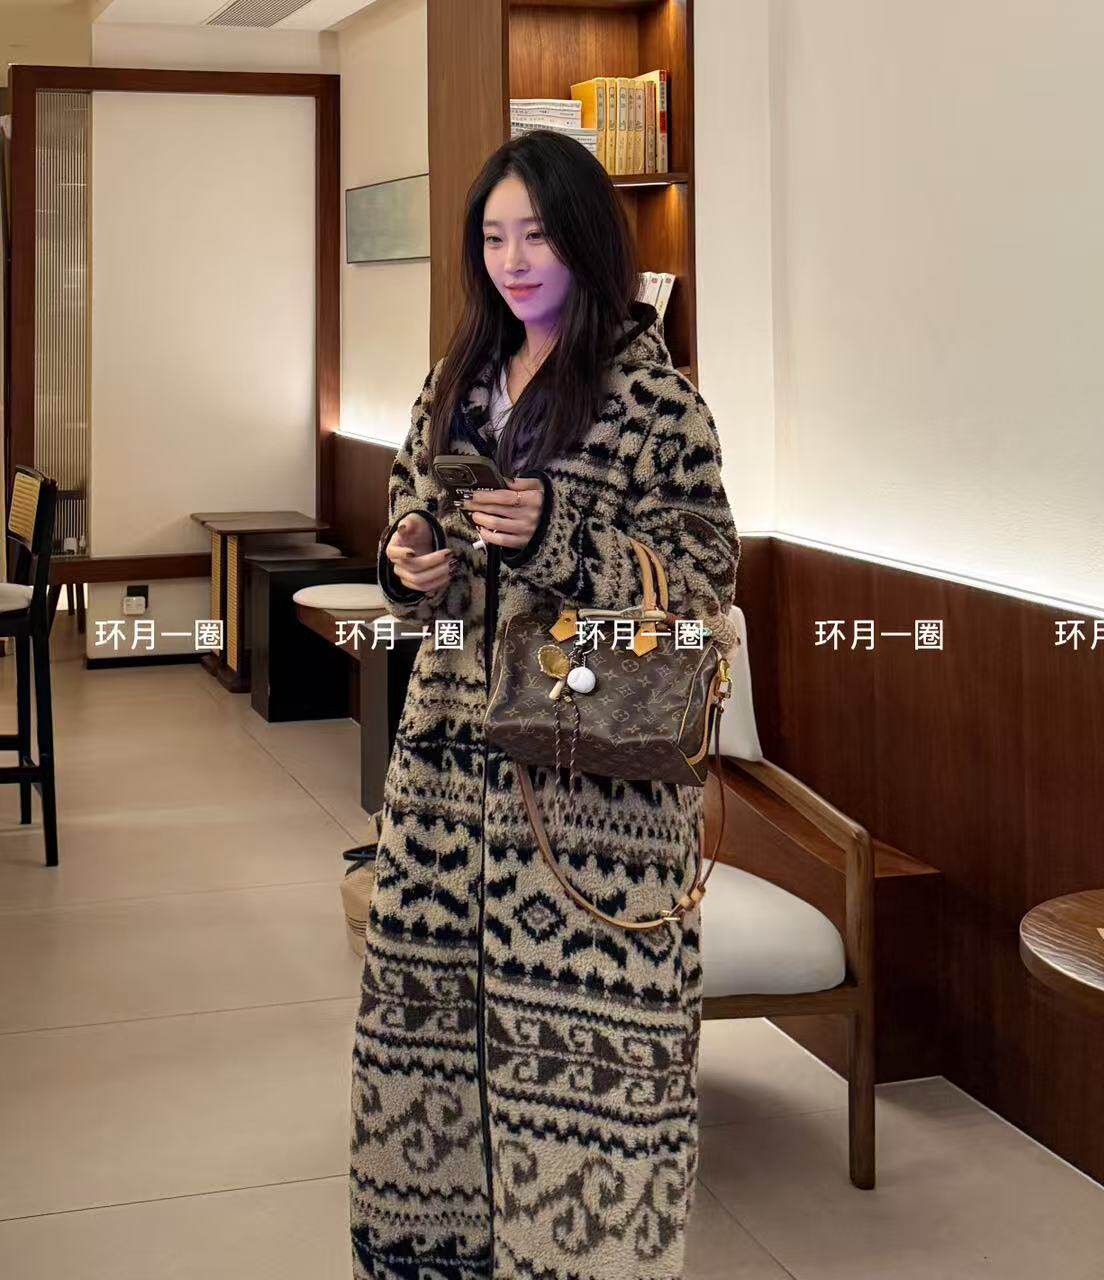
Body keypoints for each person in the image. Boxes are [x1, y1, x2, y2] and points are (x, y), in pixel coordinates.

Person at [349, 128, 740, 1280]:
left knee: (588, 1095)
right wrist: (407, 558)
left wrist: (561, 537)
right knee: (422, 1065)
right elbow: (406, 518)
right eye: (493, 237)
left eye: (536, 235)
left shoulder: (657, 402)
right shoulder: (453, 382)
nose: (513, 260)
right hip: (440, 792)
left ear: (584, 242)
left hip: (592, 813)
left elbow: (703, 585)